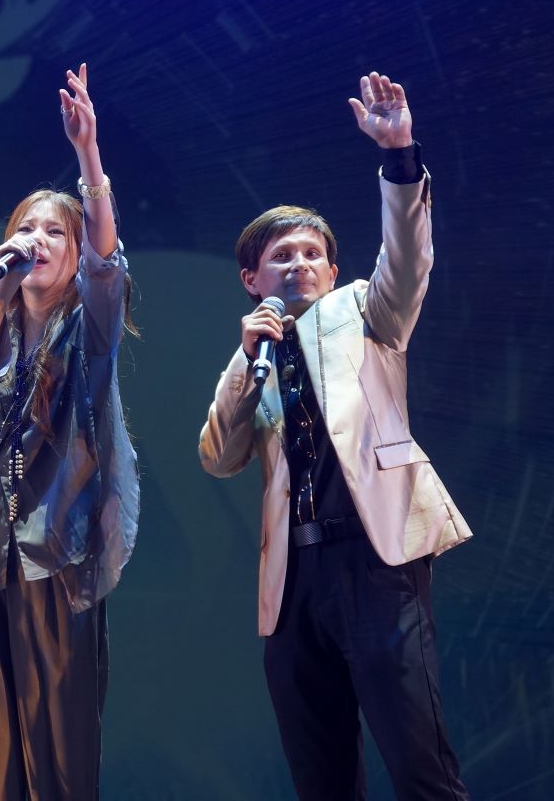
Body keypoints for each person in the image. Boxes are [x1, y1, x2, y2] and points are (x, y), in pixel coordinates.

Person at [198, 71, 472, 800]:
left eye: (311, 254)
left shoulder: (367, 313)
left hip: (375, 559)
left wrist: (399, 156)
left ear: (332, 269)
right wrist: (246, 363)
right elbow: (218, 457)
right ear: (251, 278)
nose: (300, 264)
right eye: (281, 256)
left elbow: (408, 260)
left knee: (419, 764)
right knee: (321, 778)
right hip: (294, 579)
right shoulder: (252, 353)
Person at [0, 63, 139, 800]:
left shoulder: (91, 324)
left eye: (56, 232)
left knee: (56, 744)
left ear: (76, 252)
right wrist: (1, 288)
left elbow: (109, 265)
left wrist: (88, 154)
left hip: (58, 548)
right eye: (26, 228)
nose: (38, 240)